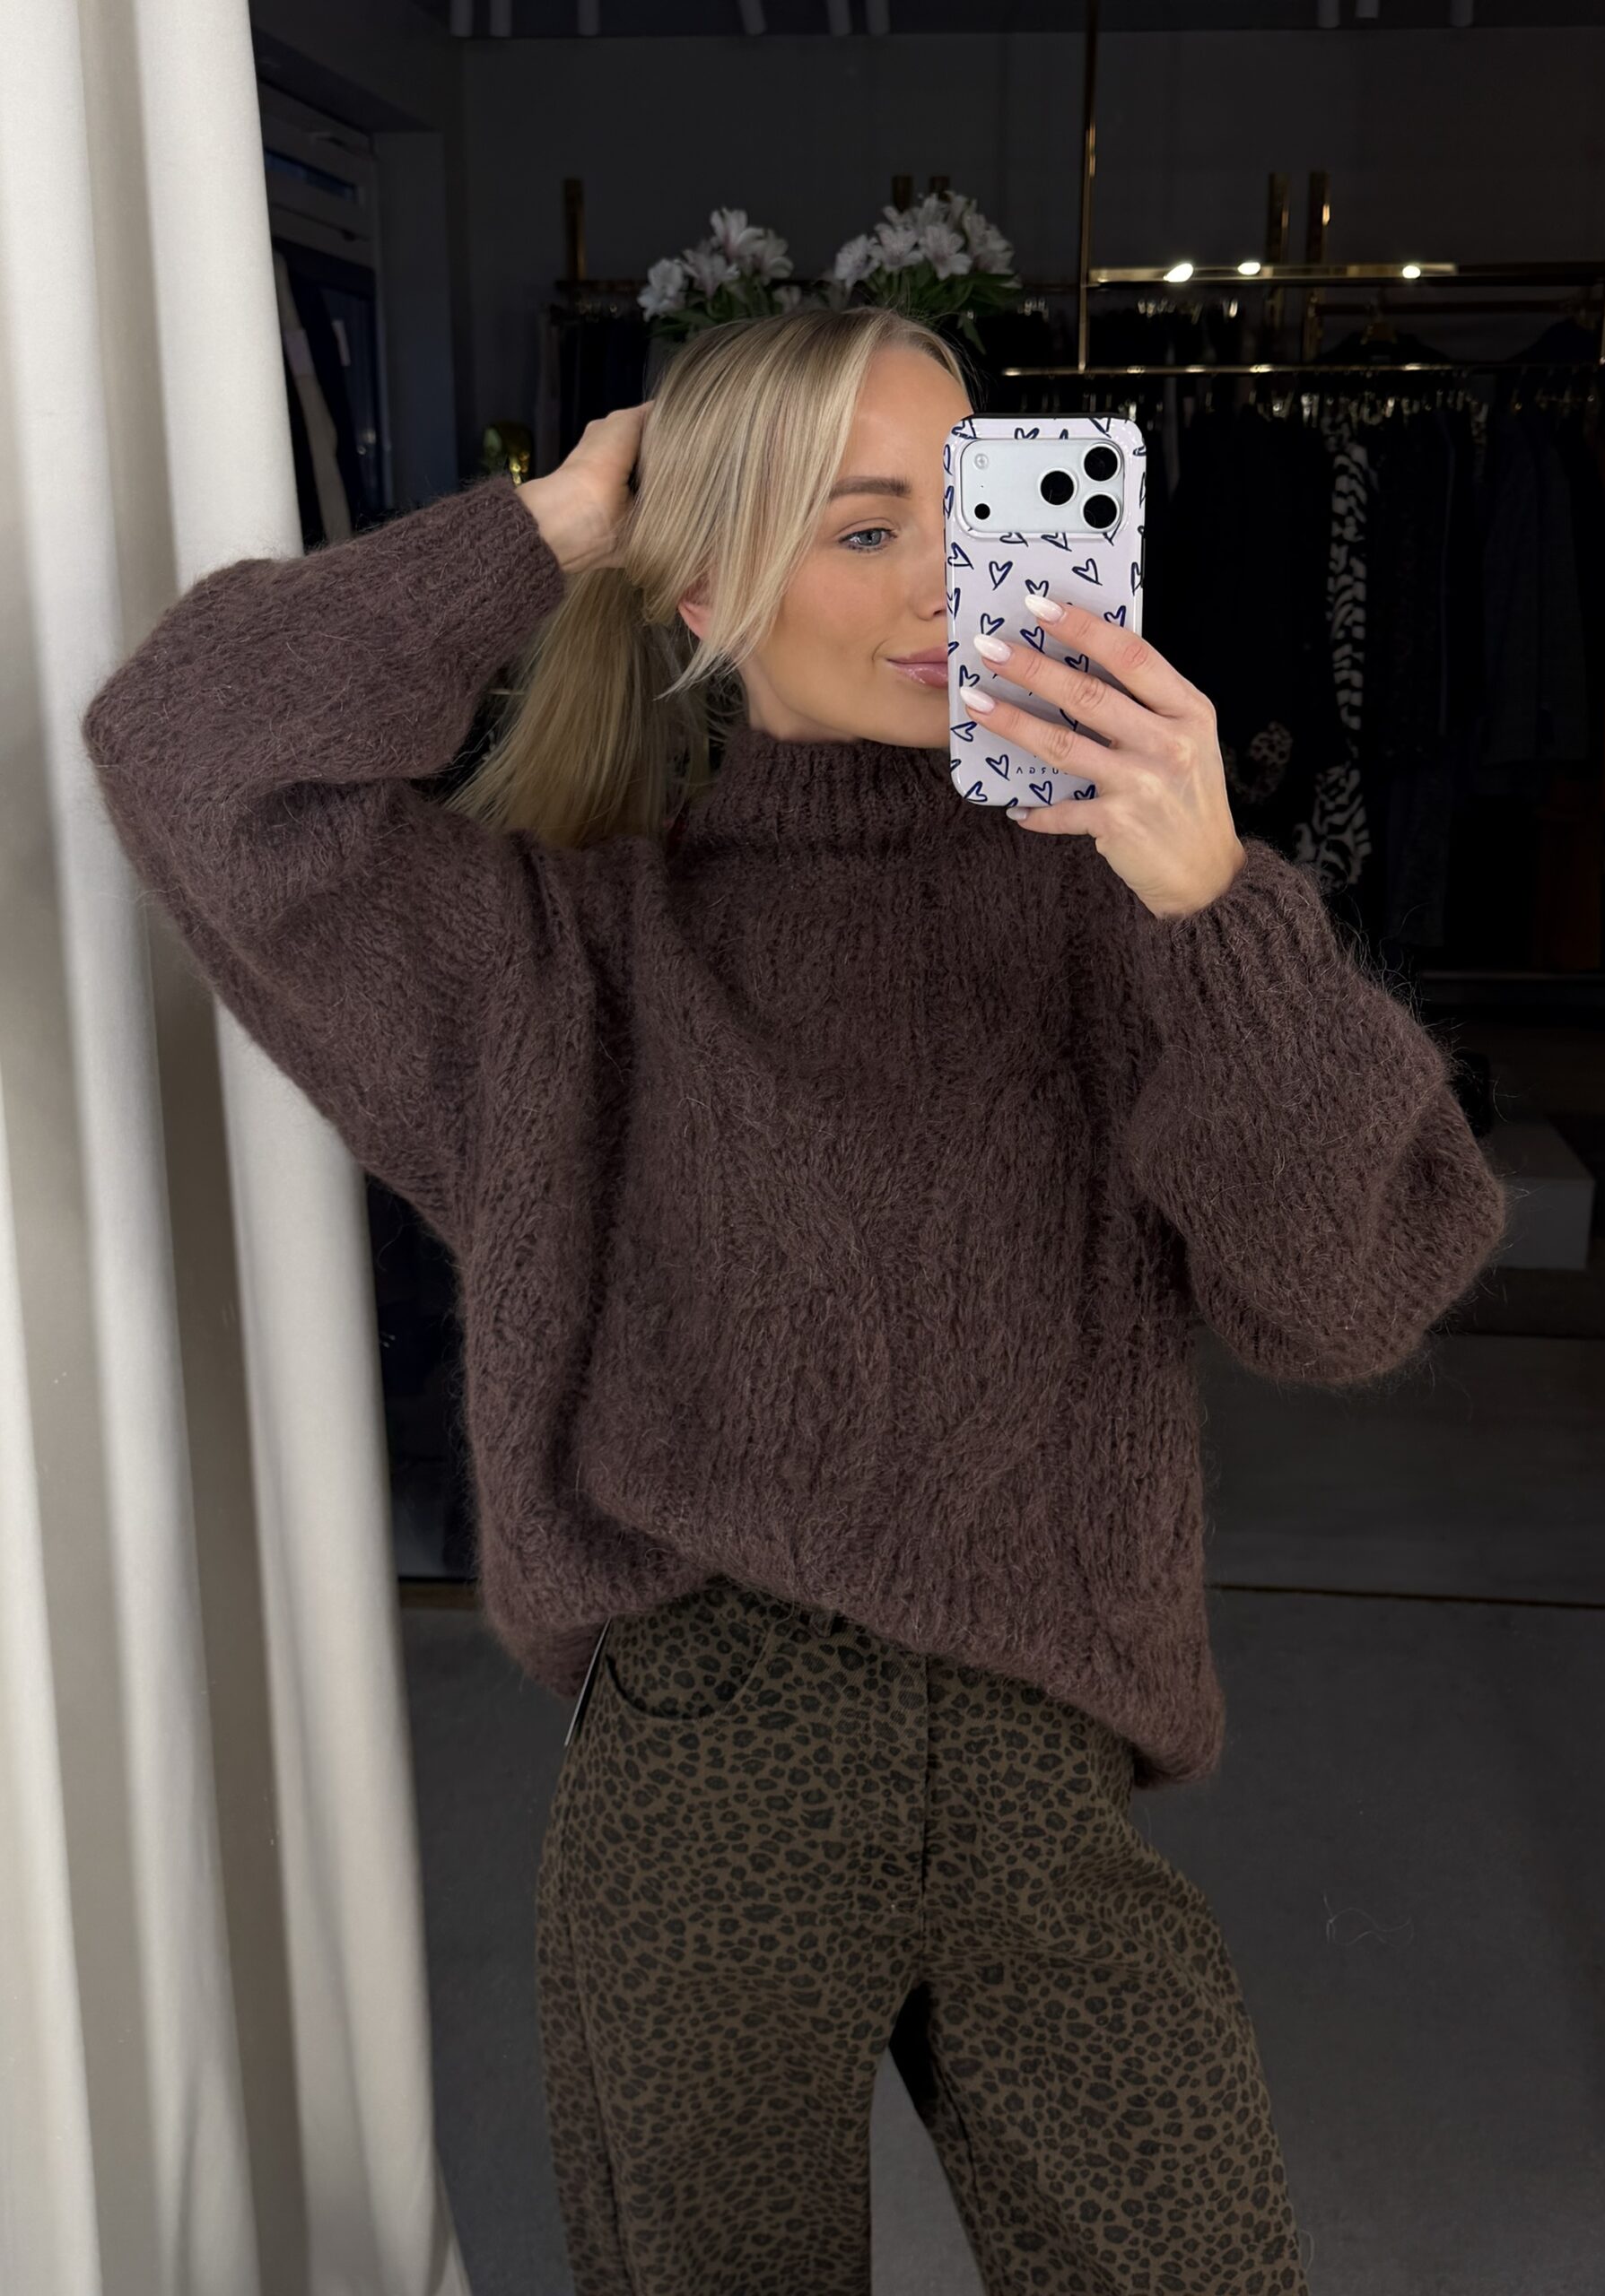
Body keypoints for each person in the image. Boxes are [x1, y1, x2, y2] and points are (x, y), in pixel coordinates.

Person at [83, 304, 1507, 2294]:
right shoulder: (567, 959)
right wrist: (550, 525)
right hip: (708, 1765)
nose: (943, 579)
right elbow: (188, 749)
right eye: (859, 527)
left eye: (972, 506)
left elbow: (1351, 1296)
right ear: (709, 580)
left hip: (1044, 1760)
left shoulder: (1136, 915)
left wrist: (1217, 907)